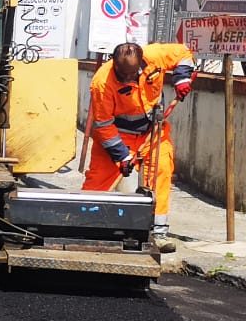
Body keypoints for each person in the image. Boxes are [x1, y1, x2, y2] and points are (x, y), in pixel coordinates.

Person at [80, 39, 196, 247]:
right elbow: (104, 125)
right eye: (122, 74)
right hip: (118, 134)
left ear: (141, 63)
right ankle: (85, 227)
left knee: (160, 171)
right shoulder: (102, 83)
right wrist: (122, 156)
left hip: (153, 132)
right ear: (113, 63)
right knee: (98, 182)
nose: (127, 79)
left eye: (131, 75)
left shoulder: (155, 55)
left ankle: (157, 233)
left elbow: (184, 54)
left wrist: (181, 80)